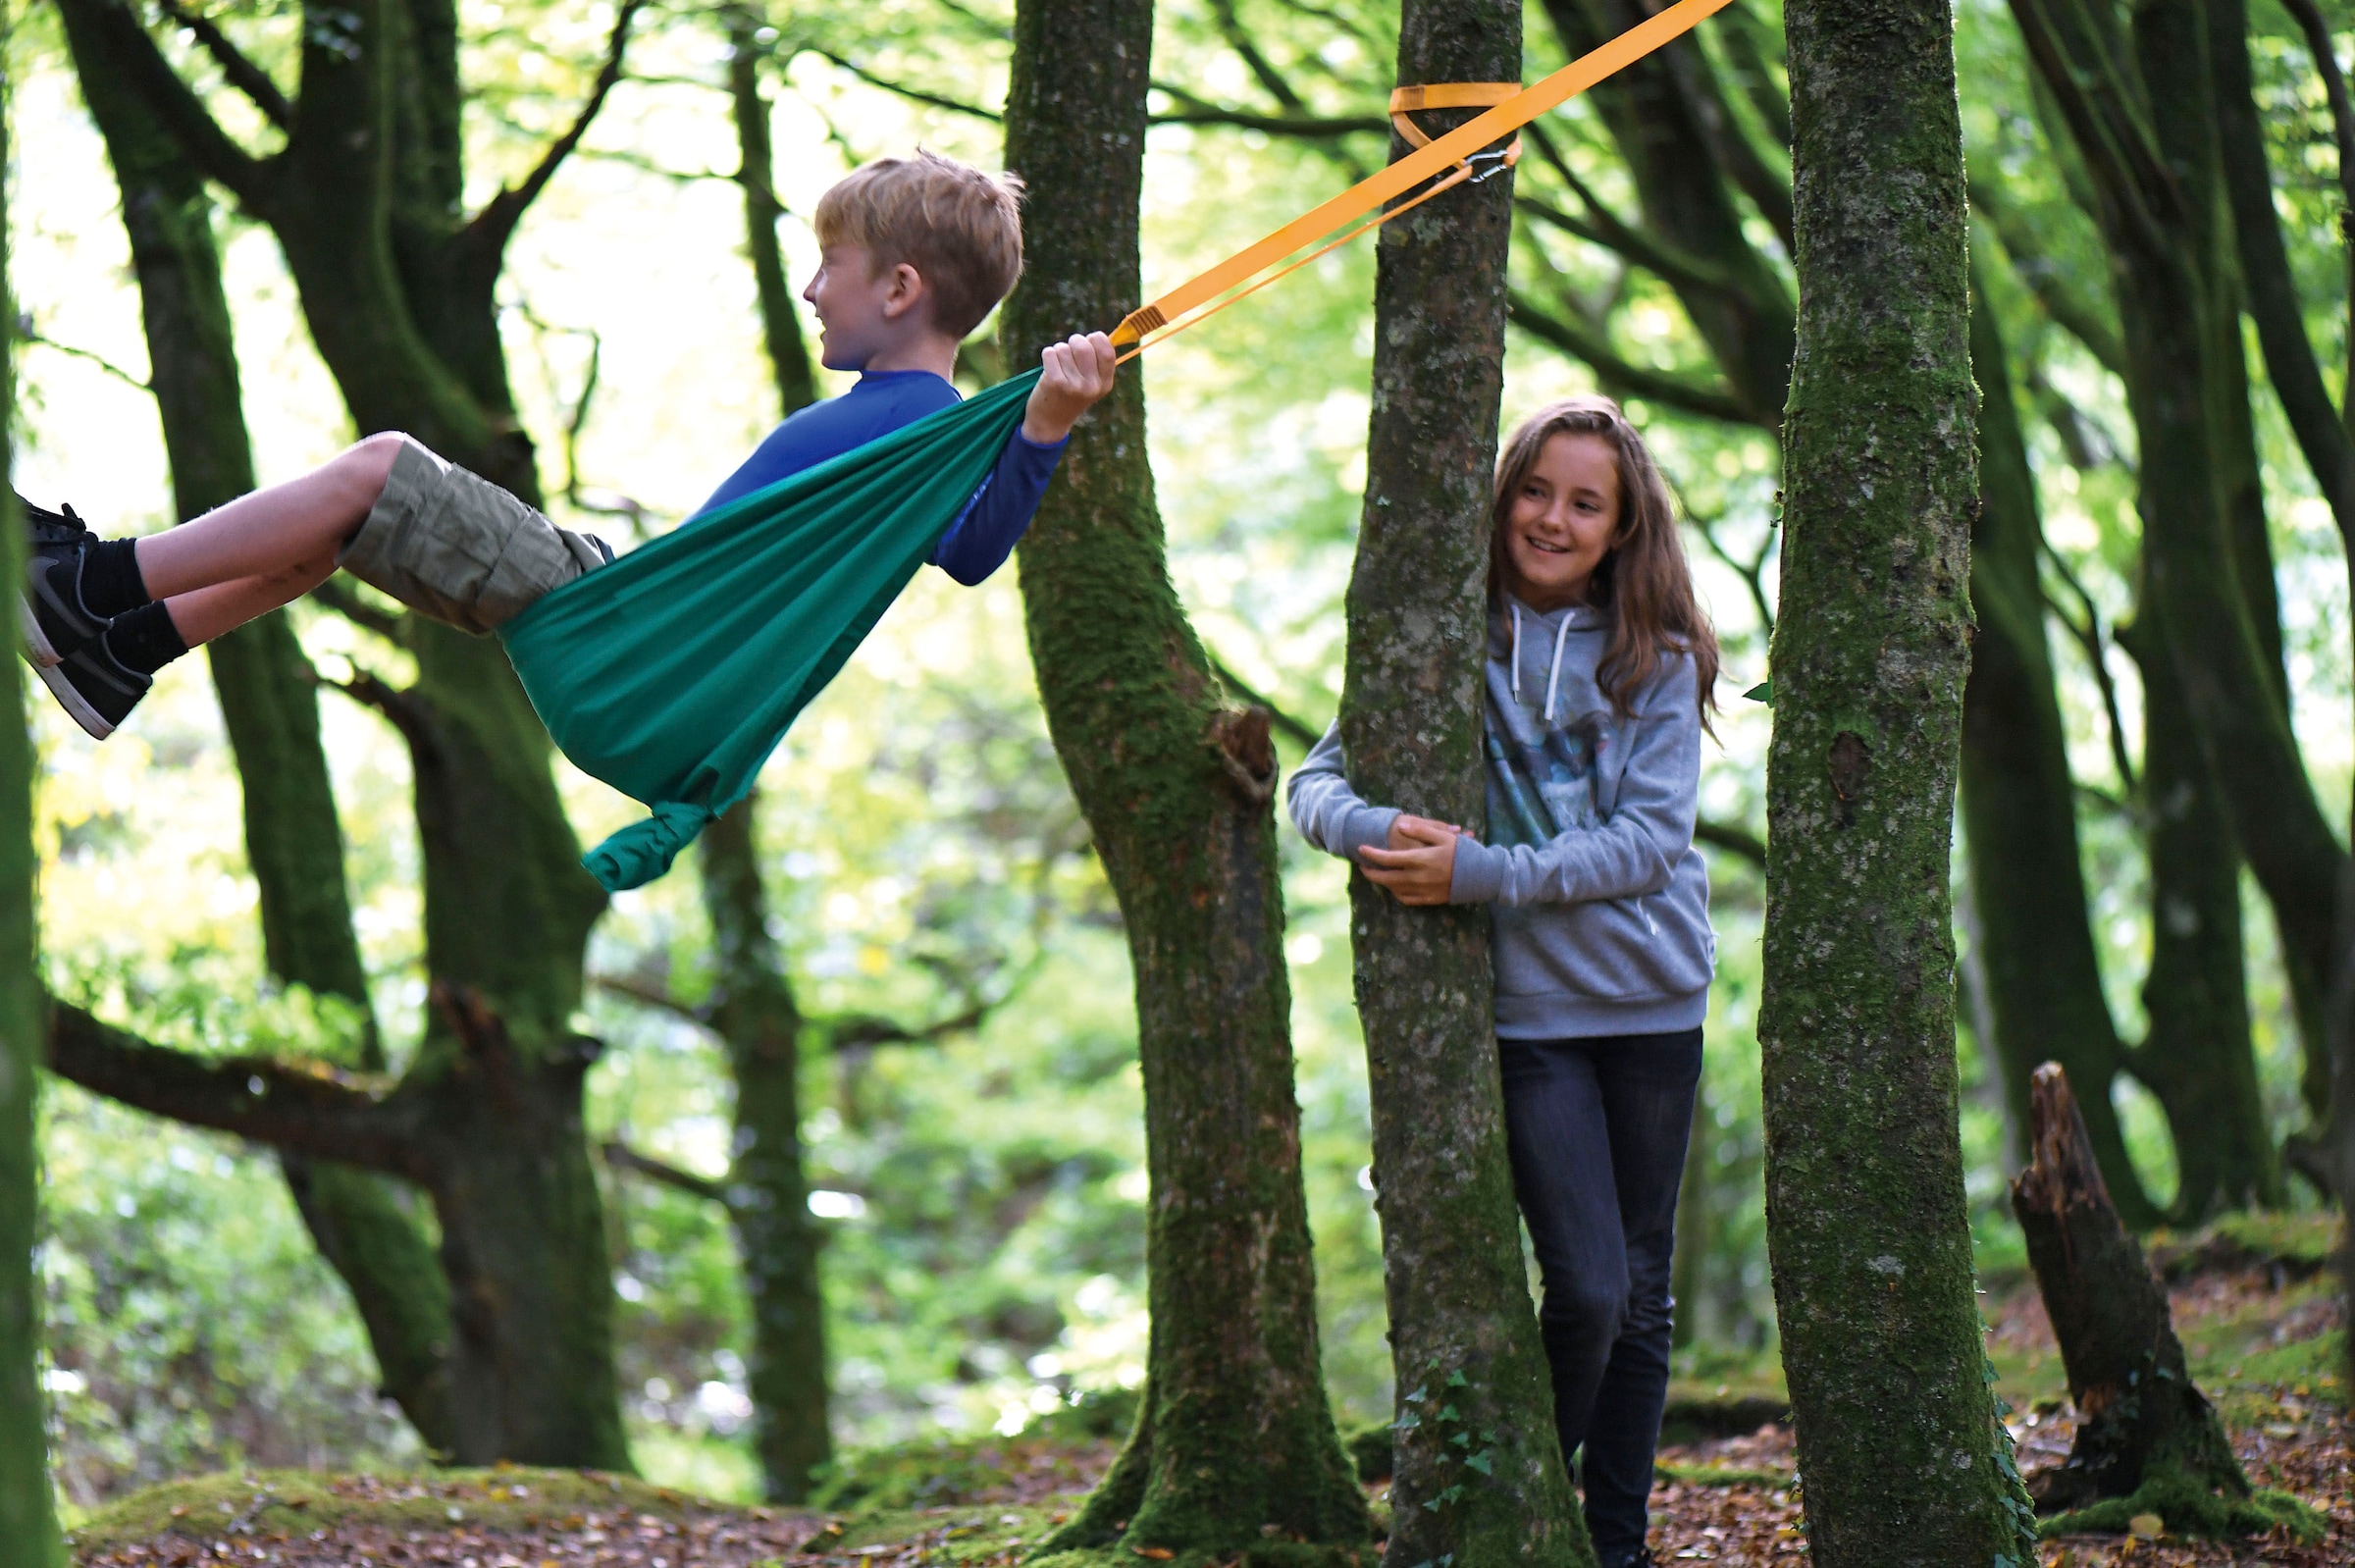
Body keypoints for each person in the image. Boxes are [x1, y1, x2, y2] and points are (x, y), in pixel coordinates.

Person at [18, 150, 1118, 740]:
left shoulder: (921, 425)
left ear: (900, 287)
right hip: (634, 619)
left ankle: (91, 585)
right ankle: (127, 649)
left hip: (626, 617)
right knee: (354, 521)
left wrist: (1042, 425)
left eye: (832, 263)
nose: (813, 286)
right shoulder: (922, 428)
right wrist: (1036, 426)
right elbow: (968, 545)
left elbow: (970, 547)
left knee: (379, 468)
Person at [1287, 395, 1719, 1568]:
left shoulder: (1657, 657)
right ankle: (1523, 1499)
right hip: (1527, 1018)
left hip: (1651, 1001)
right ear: (1501, 495)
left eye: (1587, 502)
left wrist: (1481, 872)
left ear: (1622, 527)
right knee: (1585, 1286)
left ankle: (1608, 1543)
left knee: (1640, 1288)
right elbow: (1310, 781)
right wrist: (1375, 826)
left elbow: (1651, 840)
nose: (1553, 517)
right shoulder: (1438, 639)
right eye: (1537, 489)